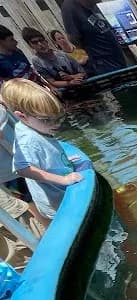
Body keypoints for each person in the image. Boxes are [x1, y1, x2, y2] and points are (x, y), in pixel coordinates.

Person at [1, 79, 83, 227]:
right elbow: (23, 169)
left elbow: (45, 153)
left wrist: (62, 159)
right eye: (47, 120)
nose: (56, 124)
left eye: (59, 117)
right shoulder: (27, 139)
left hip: (62, 195)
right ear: (21, 116)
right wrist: (63, 180)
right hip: (57, 203)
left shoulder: (36, 127)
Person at [60, 0, 127, 76]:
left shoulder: (94, 5)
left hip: (118, 59)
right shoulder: (70, 6)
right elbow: (74, 38)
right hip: (103, 65)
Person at [22, 27, 86, 91]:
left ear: (46, 41)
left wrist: (71, 77)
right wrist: (70, 83)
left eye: (41, 40)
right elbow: (52, 82)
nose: (40, 44)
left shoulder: (62, 55)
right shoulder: (37, 61)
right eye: (35, 42)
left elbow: (82, 72)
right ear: (30, 45)